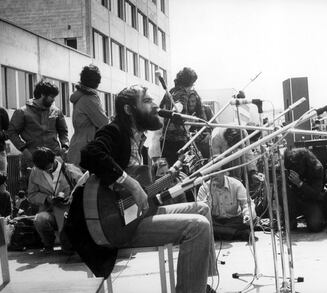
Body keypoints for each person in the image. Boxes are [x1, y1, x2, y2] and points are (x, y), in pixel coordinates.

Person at [66, 86, 217, 293]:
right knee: (197, 226)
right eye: (146, 100)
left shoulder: (140, 142)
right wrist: (131, 183)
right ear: (129, 110)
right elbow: (91, 153)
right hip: (112, 225)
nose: (155, 104)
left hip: (133, 216)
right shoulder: (115, 131)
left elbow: (142, 194)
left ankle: (199, 285)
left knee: (203, 209)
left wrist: (169, 178)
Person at [8, 80, 69, 191]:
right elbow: (11, 132)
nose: (54, 99)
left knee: (59, 195)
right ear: (42, 95)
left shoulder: (56, 112)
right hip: (33, 161)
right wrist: (24, 150)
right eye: (51, 96)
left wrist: (64, 147)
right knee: (35, 196)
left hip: (55, 161)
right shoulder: (22, 112)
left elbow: (63, 131)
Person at [28, 147, 83, 252]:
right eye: (43, 170)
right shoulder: (35, 172)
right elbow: (31, 195)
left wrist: (72, 198)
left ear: (53, 160)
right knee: (39, 219)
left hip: (70, 212)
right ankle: (48, 244)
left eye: (48, 168)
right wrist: (46, 198)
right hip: (50, 211)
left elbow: (84, 189)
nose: (47, 171)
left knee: (68, 249)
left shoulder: (69, 169)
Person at [197, 163, 256, 241]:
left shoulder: (236, 184)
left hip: (233, 220)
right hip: (215, 221)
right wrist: (208, 199)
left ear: (225, 172)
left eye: (217, 171)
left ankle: (224, 234)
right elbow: (201, 211)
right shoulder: (204, 188)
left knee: (251, 220)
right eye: (211, 172)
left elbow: (247, 203)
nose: (214, 174)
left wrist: (247, 216)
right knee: (202, 226)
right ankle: (237, 234)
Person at [67, 65, 108, 166]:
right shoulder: (89, 99)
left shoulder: (80, 96)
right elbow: (104, 123)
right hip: (87, 148)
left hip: (77, 146)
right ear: (97, 82)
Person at [159, 67, 198, 166]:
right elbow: (179, 105)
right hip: (178, 140)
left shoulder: (170, 91)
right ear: (189, 83)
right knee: (179, 171)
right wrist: (178, 110)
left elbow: (160, 108)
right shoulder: (184, 93)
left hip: (165, 139)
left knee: (166, 171)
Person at [283, 148, 325, 232]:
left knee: (315, 226)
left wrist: (299, 183)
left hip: (311, 200)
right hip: (293, 200)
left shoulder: (317, 168)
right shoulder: (289, 168)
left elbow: (316, 193)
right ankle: (290, 218)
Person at [187, 90, 215, 159]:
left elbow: (215, 126)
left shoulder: (206, 109)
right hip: (190, 147)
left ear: (197, 101)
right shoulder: (184, 111)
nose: (190, 104)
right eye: (188, 102)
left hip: (206, 146)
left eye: (193, 101)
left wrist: (210, 134)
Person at [0, 106, 9, 177]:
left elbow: (9, 132)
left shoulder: (1, 111)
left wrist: (1, 135)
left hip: (0, 151)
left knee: (2, 181)